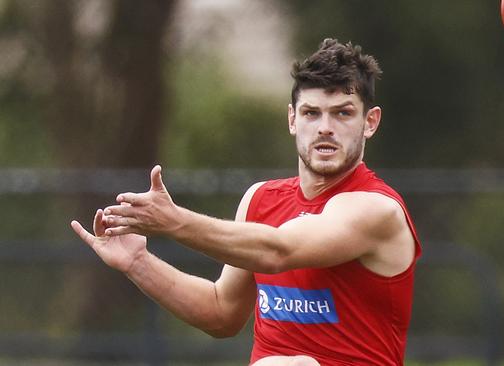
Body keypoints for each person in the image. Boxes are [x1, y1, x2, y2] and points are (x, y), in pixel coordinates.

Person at [71, 38, 421, 366]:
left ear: (370, 122)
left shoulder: (377, 209)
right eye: (312, 113)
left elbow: (278, 251)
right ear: (292, 120)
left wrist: (173, 222)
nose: (325, 127)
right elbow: (221, 312)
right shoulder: (260, 199)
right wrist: (138, 263)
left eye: (342, 113)